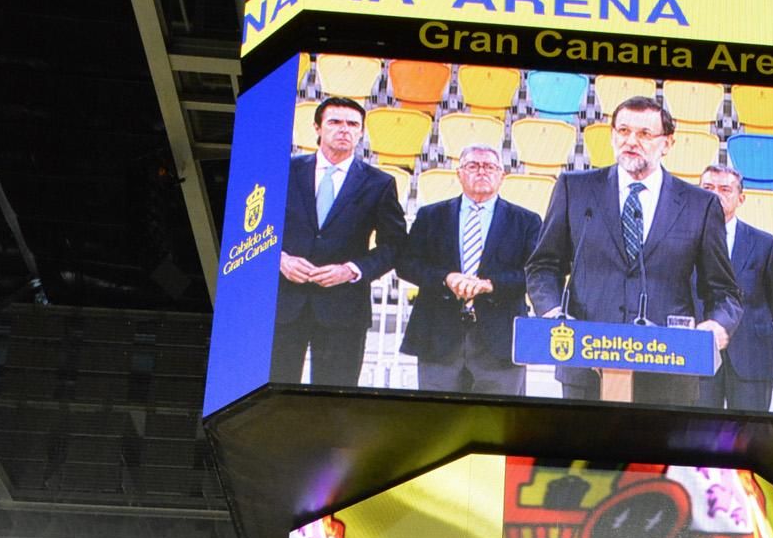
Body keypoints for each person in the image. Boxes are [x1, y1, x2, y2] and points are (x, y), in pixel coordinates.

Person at [526, 96, 742, 408]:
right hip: (586, 365)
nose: (631, 141)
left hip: (668, 371)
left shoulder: (700, 204)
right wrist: (553, 313)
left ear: (667, 143)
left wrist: (718, 324)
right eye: (623, 131)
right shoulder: (576, 188)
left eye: (644, 134)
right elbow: (543, 266)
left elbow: (724, 291)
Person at [273, 95, 407, 387]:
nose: (344, 129)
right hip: (282, 304)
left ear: (361, 132)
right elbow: (254, 230)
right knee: (271, 397)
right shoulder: (283, 171)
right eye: (335, 122)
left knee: (333, 403)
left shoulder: (380, 183)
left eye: (353, 124)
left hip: (344, 309)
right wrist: (279, 259)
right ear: (317, 127)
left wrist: (352, 270)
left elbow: (394, 245)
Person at [400, 146, 542, 396]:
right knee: (437, 419)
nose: (481, 172)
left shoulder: (527, 221)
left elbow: (535, 274)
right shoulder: (431, 215)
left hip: (501, 338)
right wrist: (447, 278)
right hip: (438, 334)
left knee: (497, 421)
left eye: (490, 167)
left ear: (502, 176)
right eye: (473, 166)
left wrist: (490, 285)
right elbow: (407, 264)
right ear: (459, 174)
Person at [696, 166, 773, 412]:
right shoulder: (679, 239)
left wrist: (743, 322)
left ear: (741, 198)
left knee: (750, 435)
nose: (715, 195)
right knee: (695, 433)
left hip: (751, 353)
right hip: (696, 352)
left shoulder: (765, 243)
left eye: (725, 189)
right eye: (708, 188)